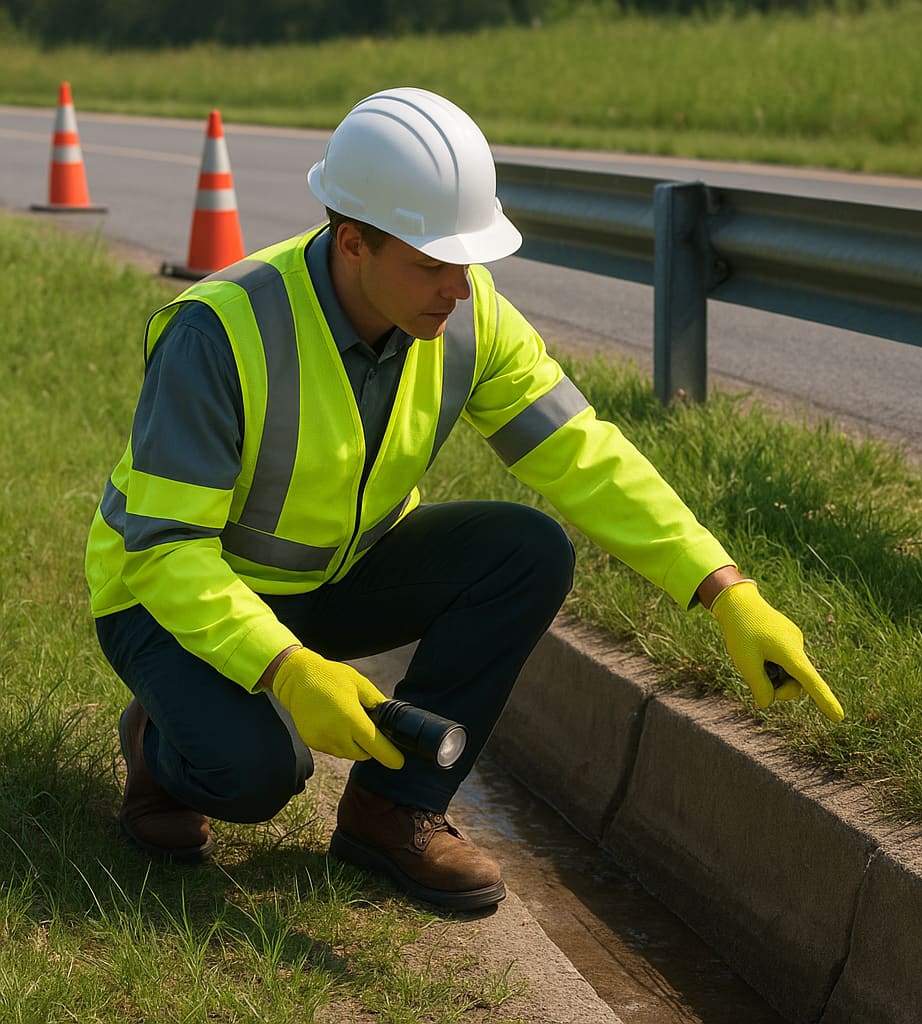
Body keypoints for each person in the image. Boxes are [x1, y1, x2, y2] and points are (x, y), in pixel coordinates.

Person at [85, 87, 844, 913]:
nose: (458, 287)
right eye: (432, 263)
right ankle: (158, 750)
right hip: (168, 601)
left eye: (468, 261)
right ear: (352, 242)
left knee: (526, 552)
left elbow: (583, 454)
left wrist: (724, 588)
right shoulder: (219, 333)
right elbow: (165, 551)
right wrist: (287, 668)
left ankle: (393, 810)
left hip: (332, 579)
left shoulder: (469, 317)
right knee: (259, 775)